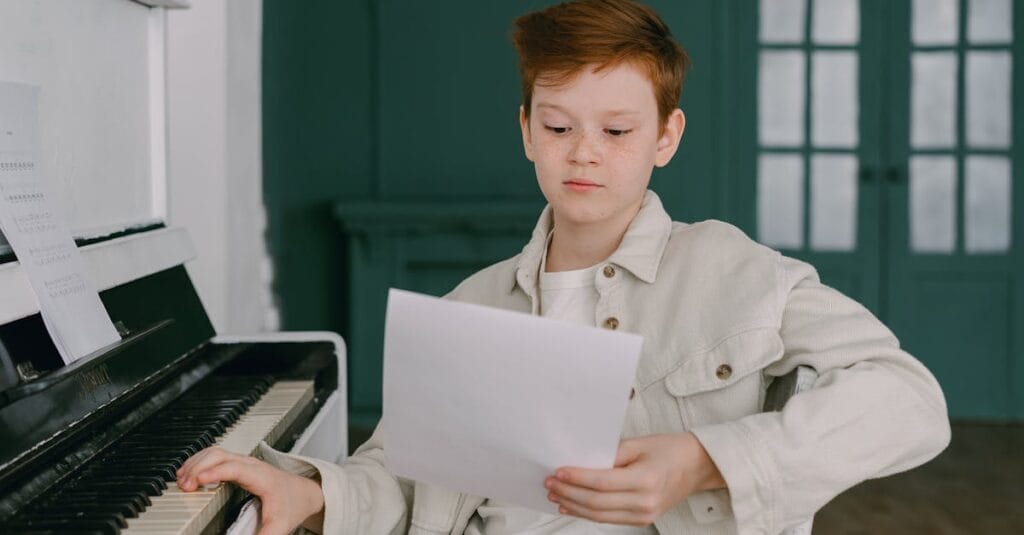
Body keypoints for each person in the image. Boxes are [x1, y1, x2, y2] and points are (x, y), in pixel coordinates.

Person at [175, 1, 951, 533]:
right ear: (526, 131)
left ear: (665, 138)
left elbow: (910, 402)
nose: (584, 151)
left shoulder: (736, 270)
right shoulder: (471, 307)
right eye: (558, 124)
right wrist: (306, 491)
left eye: (617, 129)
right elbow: (403, 487)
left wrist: (705, 460)